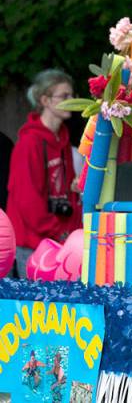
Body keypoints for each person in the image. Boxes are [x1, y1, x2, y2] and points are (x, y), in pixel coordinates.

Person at [7, 70, 82, 278]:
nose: (71, 101)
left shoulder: (62, 140)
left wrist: (71, 231)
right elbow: (26, 200)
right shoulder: (29, 143)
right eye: (64, 96)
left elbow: (69, 192)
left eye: (72, 95)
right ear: (45, 100)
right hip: (33, 242)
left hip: (59, 239)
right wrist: (58, 231)